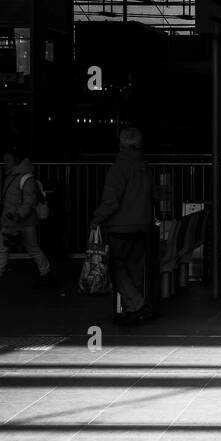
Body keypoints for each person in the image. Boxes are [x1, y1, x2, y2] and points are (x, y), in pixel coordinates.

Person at [91, 127, 157, 325]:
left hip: (121, 226)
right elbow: (154, 195)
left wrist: (96, 218)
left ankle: (136, 305)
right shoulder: (145, 166)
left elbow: (111, 201)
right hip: (143, 225)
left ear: (120, 145)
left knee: (117, 268)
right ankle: (135, 310)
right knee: (135, 268)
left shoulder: (118, 168)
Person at [0, 145, 51, 292]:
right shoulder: (18, 176)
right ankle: (44, 273)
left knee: (26, 249)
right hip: (16, 221)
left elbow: (29, 201)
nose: (5, 163)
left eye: (7, 160)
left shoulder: (23, 178)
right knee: (11, 249)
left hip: (19, 221)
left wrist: (17, 214)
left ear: (16, 161)